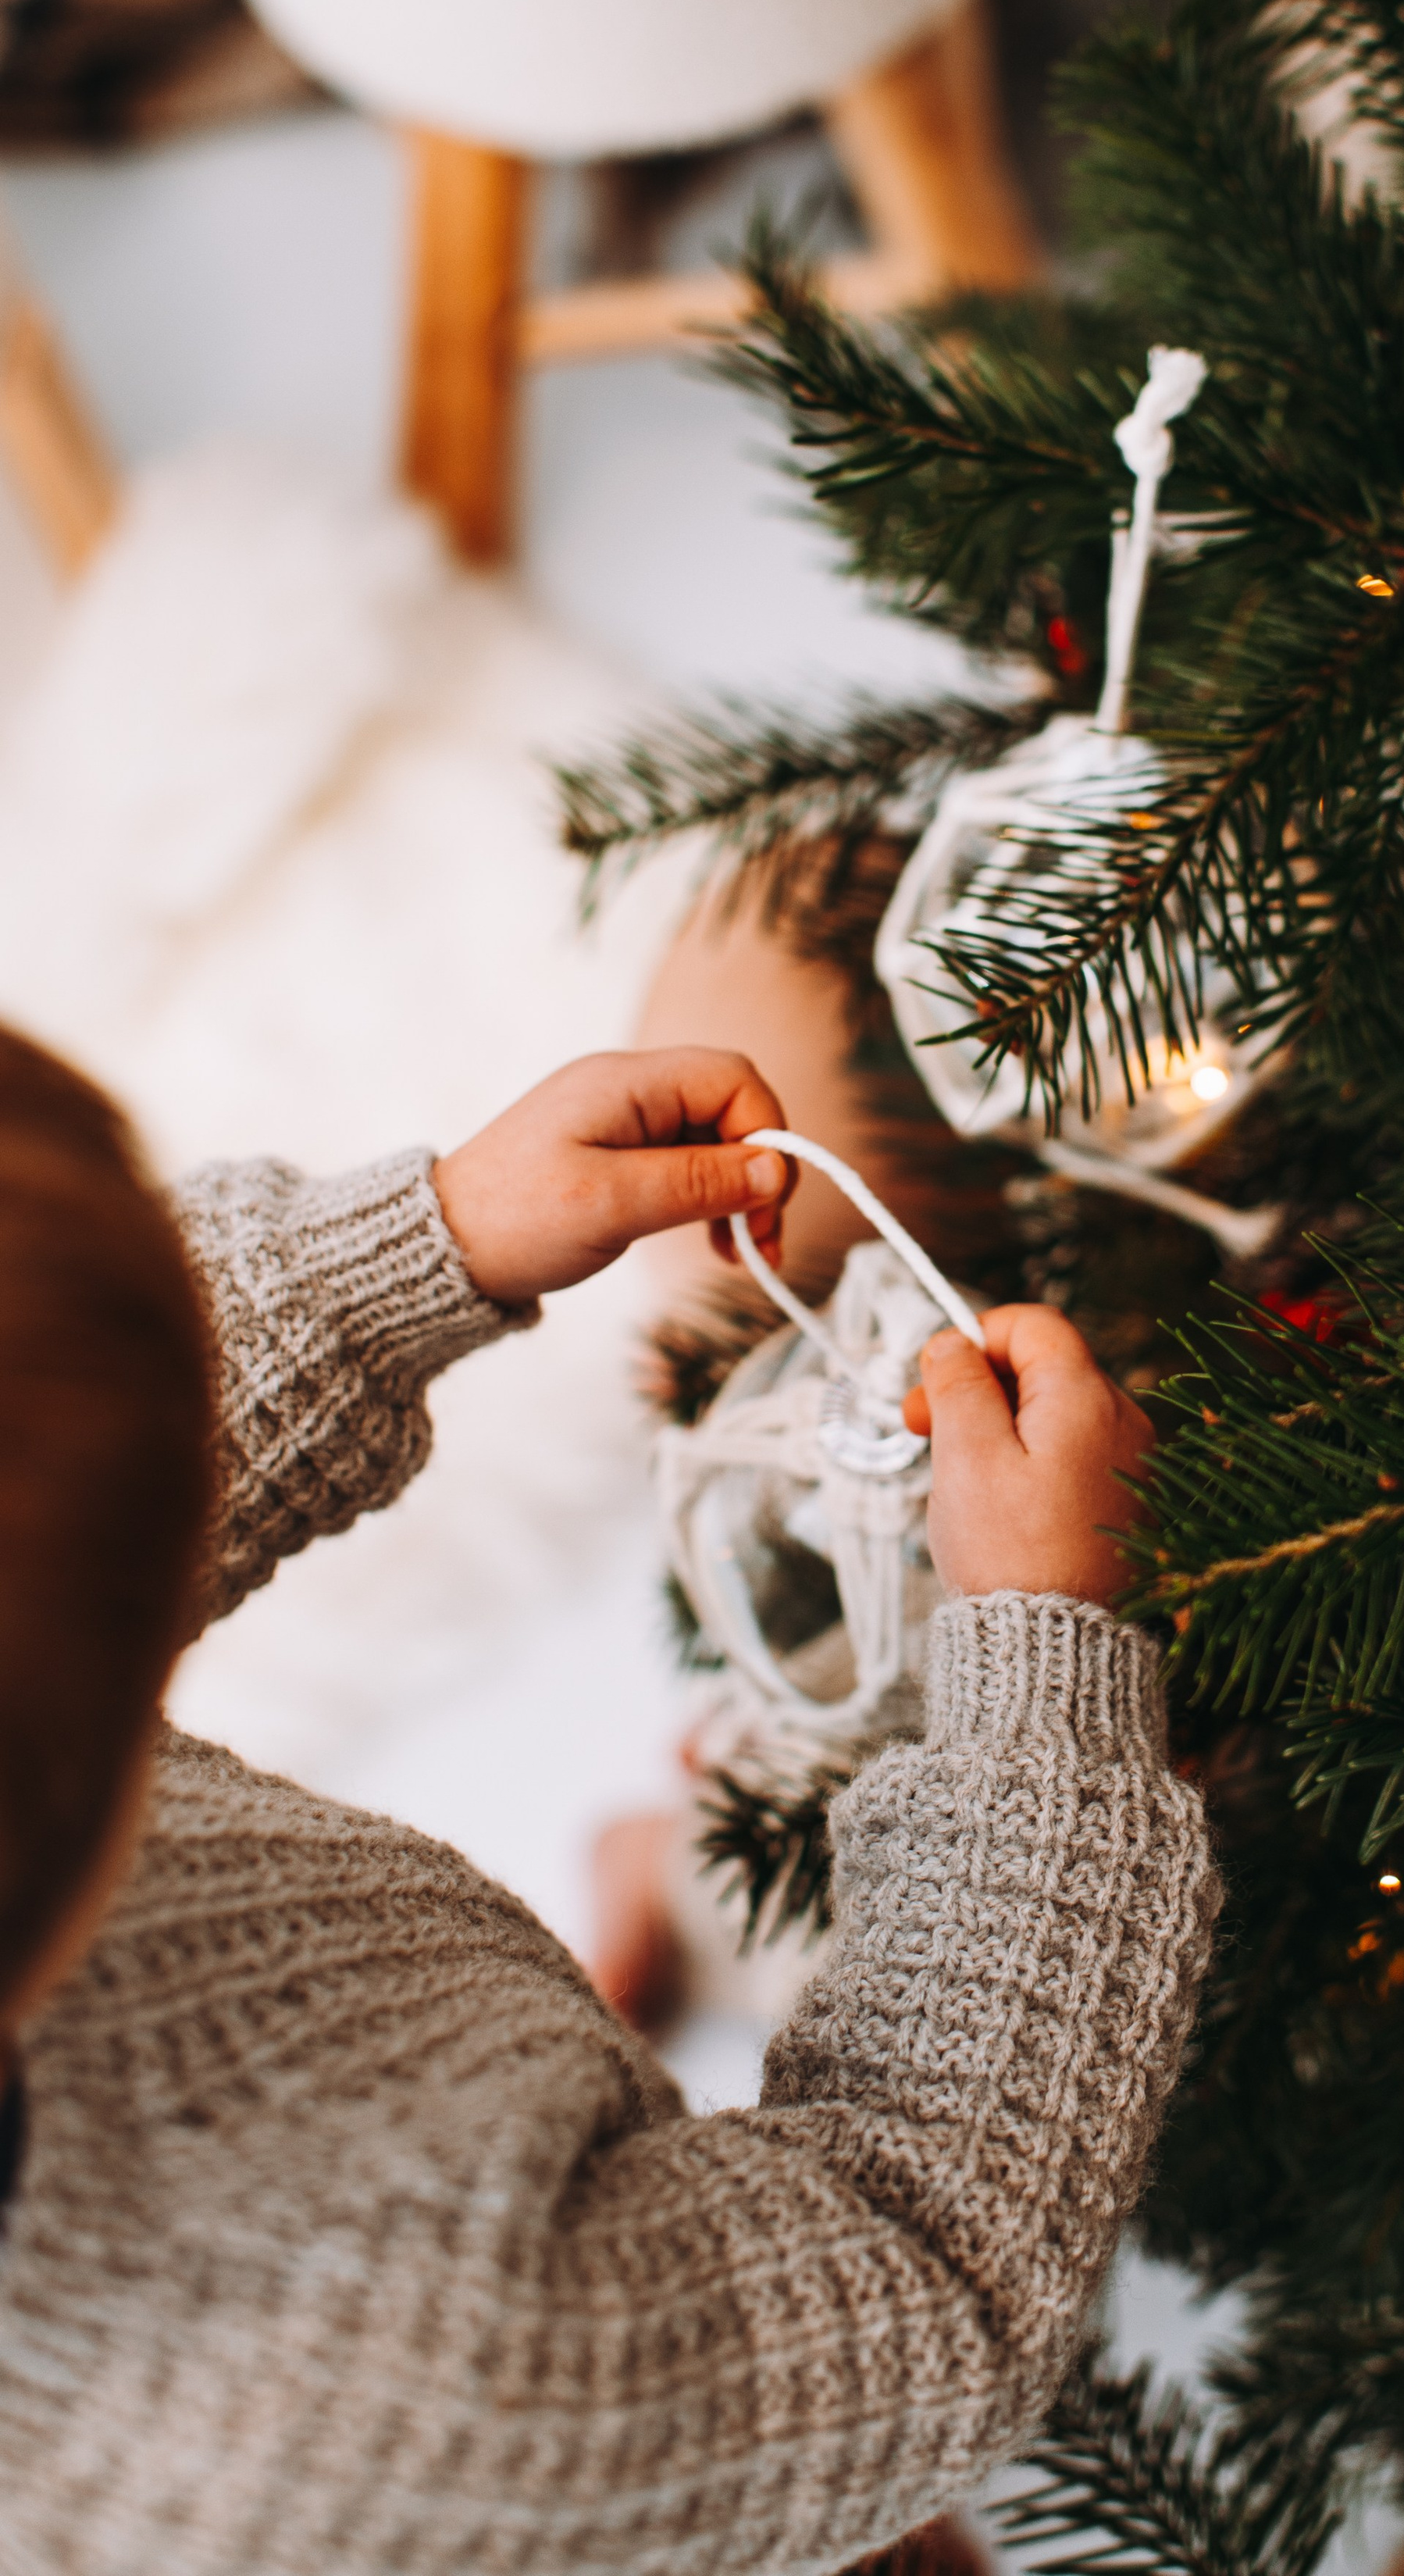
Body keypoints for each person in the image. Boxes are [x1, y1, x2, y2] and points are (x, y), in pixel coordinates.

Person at [0, 1025, 1217, 2574]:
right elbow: (930, 2249)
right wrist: (1050, 1668)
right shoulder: (334, 2420)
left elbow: (79, 1502)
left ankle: (580, 2058)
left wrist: (417, 1244)